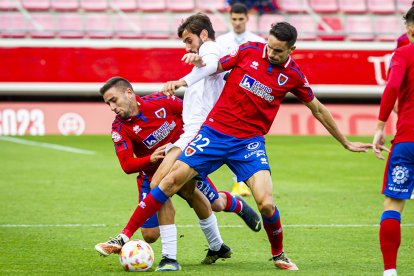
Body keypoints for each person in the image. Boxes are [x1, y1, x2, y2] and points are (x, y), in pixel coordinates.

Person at [98, 21, 372, 271]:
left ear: (292, 49)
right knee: (168, 182)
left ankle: (278, 254)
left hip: (249, 143)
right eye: (270, 46)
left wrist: (346, 142)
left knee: (266, 203)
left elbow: (319, 110)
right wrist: (184, 78)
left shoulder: (294, 76)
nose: (272, 53)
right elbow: (214, 65)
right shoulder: (249, 51)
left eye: (279, 50)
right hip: (214, 133)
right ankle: (123, 236)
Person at [95, 77, 261, 267]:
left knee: (216, 204)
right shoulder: (119, 128)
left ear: (129, 93)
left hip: (185, 163)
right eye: (108, 103)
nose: (112, 107)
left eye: (113, 100)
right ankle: (197, 250)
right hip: (151, 174)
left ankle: (232, 205)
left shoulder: (163, 101)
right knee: (150, 236)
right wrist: (149, 159)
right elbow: (127, 165)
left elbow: (194, 118)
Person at [373, 6, 414, 276]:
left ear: (409, 28)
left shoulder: (403, 52)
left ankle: (390, 271)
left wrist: (380, 125)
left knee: (393, 205)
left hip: (408, 141)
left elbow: (392, 86)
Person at [216, 2, 266, 197]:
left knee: (244, 137)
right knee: (228, 136)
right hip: (225, 94)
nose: (237, 23)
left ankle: (242, 181)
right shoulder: (221, 40)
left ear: (247, 19)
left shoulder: (258, 41)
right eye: (234, 19)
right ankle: (240, 182)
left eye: (241, 19)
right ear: (230, 19)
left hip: (248, 96)